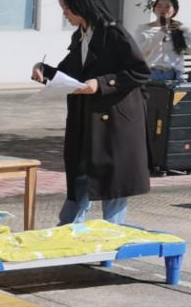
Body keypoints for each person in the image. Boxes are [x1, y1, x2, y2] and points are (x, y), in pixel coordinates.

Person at [31, 0, 151, 225]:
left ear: (81, 7)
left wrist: (102, 83)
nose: (64, 14)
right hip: (86, 118)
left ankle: (110, 238)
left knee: (114, 185)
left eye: (66, 8)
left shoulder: (114, 33)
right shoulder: (81, 35)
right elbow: (69, 73)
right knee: (81, 175)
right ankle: (68, 232)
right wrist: (43, 69)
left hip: (116, 121)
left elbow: (140, 72)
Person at [133, 0, 191, 82]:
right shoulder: (143, 29)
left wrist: (186, 29)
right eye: (159, 6)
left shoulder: (180, 29)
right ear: (154, 9)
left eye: (167, 6)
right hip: (152, 74)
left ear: (175, 10)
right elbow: (140, 54)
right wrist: (160, 33)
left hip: (176, 75)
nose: (163, 9)